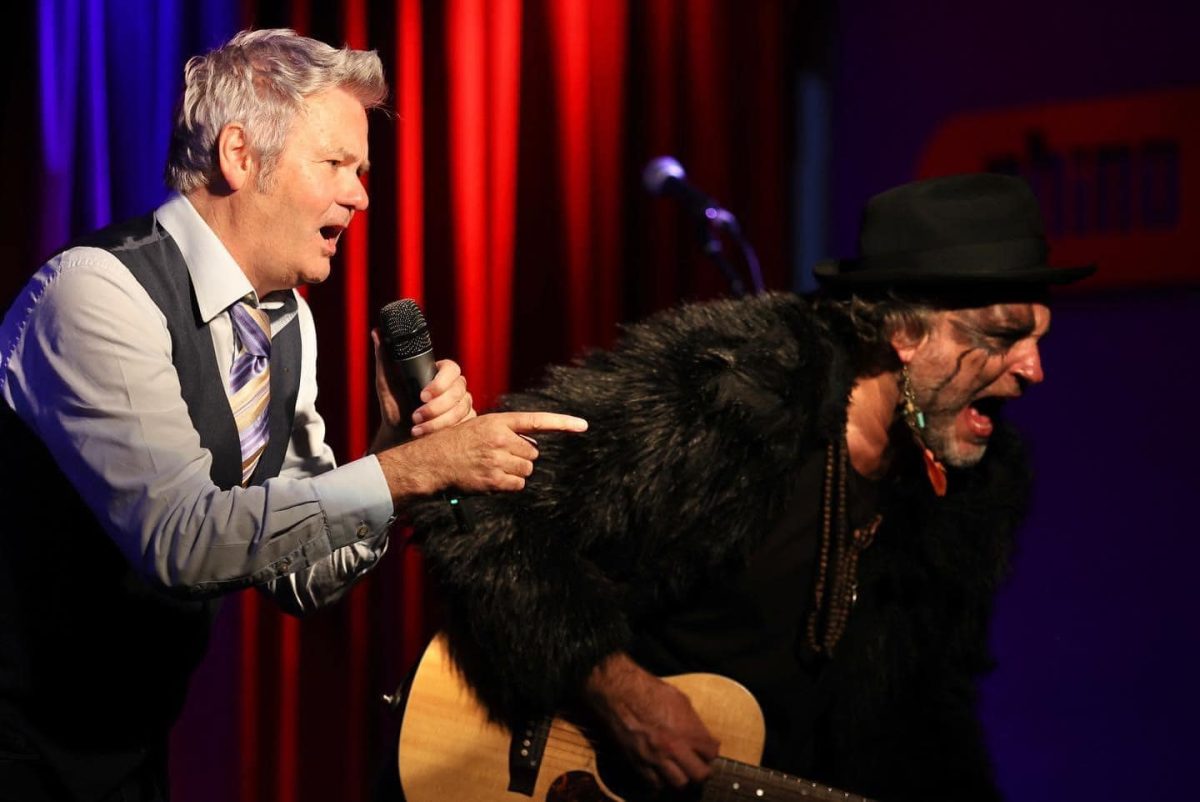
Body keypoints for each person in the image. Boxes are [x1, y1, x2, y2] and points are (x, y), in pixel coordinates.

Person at [0, 29, 585, 802]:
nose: (362, 194)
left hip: (128, 750)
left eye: (364, 171)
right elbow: (182, 541)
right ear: (240, 156)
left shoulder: (283, 324)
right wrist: (416, 469)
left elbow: (304, 577)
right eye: (337, 164)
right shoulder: (96, 294)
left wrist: (395, 454)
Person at [413, 173, 1093, 802]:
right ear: (906, 330)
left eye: (1039, 339)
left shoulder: (977, 490)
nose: (1033, 370)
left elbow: (929, 718)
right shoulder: (738, 396)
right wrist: (618, 690)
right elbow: (484, 511)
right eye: (1004, 336)